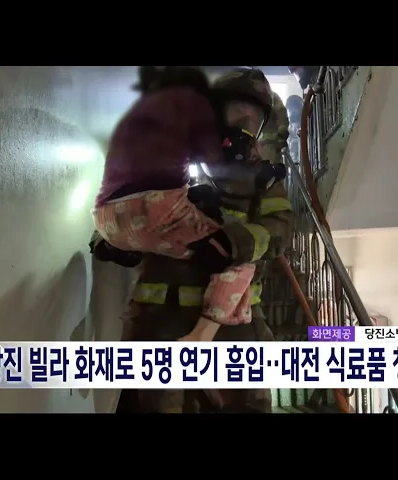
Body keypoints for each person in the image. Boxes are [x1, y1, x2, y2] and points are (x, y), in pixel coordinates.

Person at [117, 67, 294, 413]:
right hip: (160, 319)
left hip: (233, 323)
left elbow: (280, 230)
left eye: (252, 119)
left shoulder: (263, 180)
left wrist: (232, 241)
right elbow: (136, 210)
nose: (243, 125)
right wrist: (116, 242)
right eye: (236, 113)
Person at [92, 66, 263, 338]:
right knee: (237, 258)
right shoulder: (194, 106)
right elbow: (214, 161)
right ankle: (200, 336)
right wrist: (241, 156)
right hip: (155, 208)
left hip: (105, 220)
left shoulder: (138, 113)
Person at [257, 91, 289, 164]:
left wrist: (281, 140)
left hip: (270, 147)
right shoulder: (247, 96)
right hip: (256, 148)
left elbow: (282, 121)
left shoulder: (272, 97)